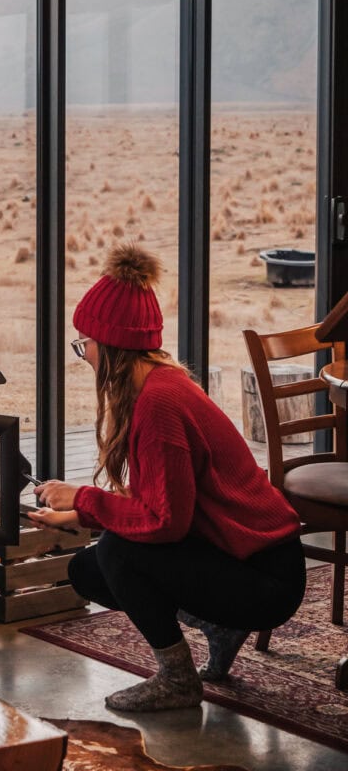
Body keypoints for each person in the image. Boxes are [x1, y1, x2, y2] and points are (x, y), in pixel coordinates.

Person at [28, 241, 306, 712]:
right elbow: (165, 503)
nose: (84, 356)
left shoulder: (159, 405)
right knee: (88, 570)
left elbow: (166, 523)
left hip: (266, 577)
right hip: (239, 557)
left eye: (85, 344)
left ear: (110, 346)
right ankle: (220, 627)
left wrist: (87, 500)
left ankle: (178, 680)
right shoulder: (161, 385)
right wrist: (77, 511)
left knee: (118, 553)